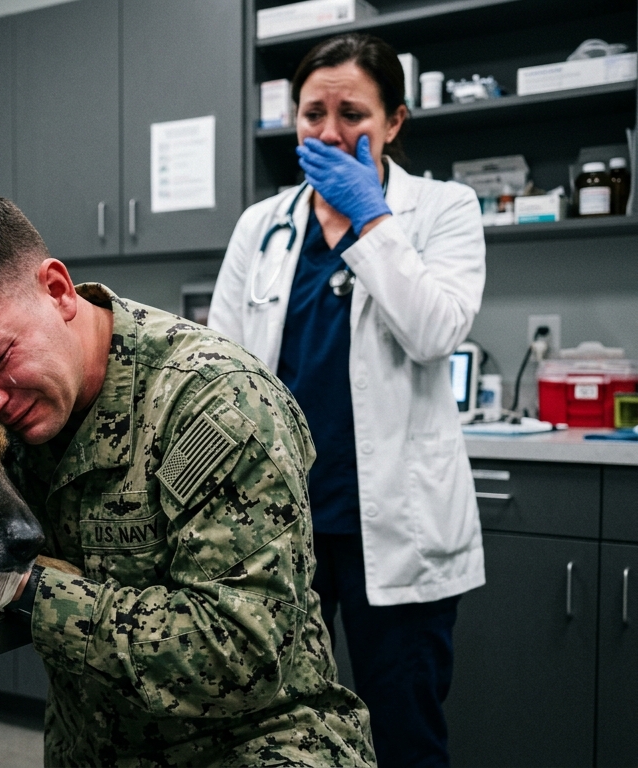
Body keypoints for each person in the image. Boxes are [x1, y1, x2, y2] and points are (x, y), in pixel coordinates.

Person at [0, 189, 375, 766]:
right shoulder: (9, 417)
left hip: (255, 748)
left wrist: (23, 590)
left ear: (58, 291)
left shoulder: (216, 404)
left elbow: (242, 657)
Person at [206, 33, 486, 768]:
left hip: (396, 531)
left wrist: (373, 220)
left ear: (395, 121)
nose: (328, 132)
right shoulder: (261, 226)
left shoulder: (443, 210)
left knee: (403, 731)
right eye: (312, 113)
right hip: (283, 526)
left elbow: (434, 332)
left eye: (351, 113)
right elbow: (223, 368)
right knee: (279, 724)